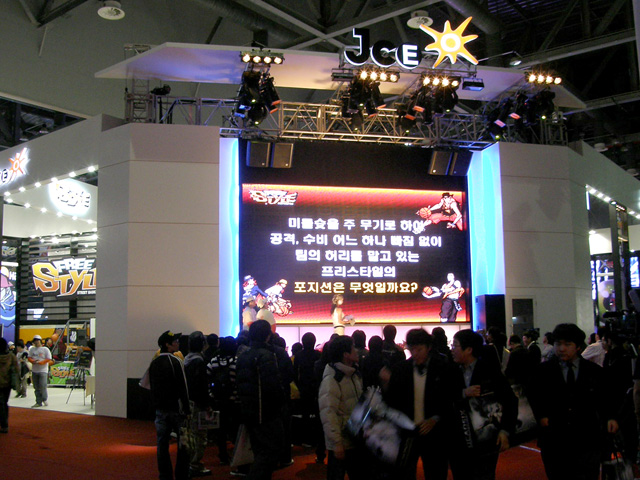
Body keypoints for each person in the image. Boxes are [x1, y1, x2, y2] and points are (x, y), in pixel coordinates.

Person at [530, 323, 619, 480]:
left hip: (587, 439)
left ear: (578, 346)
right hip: (554, 438)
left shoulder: (594, 371)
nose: (561, 349)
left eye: (567, 344)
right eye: (558, 344)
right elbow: (534, 396)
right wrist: (541, 416)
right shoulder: (543, 371)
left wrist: (610, 417)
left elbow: (605, 398)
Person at [385, 329, 456, 480]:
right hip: (407, 432)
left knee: (436, 472)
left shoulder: (443, 368)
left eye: (419, 349)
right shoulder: (400, 369)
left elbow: (450, 399)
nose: (415, 353)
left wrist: (436, 418)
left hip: (435, 432)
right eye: (412, 349)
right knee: (405, 473)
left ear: (428, 347)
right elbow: (392, 401)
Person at [449, 329, 518, 480]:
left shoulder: (489, 370)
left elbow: (510, 400)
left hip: (485, 437)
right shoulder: (451, 371)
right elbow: (442, 397)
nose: (452, 349)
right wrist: (463, 393)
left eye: (455, 345)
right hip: (458, 439)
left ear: (469, 349)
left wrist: (505, 430)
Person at [236, 320, 287, 480]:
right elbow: (272, 386)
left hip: (249, 411)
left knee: (259, 451)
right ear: (267, 335)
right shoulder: (266, 355)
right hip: (266, 413)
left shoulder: (243, 356)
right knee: (269, 453)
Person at [318, 335, 365, 480]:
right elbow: (328, 413)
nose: (356, 351)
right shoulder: (333, 380)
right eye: (353, 348)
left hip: (353, 438)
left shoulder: (353, 373)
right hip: (342, 441)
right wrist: (336, 443)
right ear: (345, 354)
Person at [149, 330, 191, 480]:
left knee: (162, 444)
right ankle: (181, 474)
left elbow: (150, 386)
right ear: (167, 344)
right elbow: (183, 387)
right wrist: (187, 409)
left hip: (160, 409)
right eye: (175, 341)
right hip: (176, 409)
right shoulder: (176, 362)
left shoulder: (154, 363)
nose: (178, 343)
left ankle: (165, 475)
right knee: (183, 443)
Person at [183, 331, 212, 478]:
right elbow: (201, 386)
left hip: (188, 402)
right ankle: (194, 464)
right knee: (200, 435)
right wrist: (207, 405)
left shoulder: (186, 360)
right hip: (198, 403)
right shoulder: (199, 361)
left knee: (190, 434)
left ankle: (190, 462)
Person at [293, 332, 324, 463]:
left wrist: (299, 386)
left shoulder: (299, 356)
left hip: (304, 387)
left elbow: (295, 373)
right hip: (316, 388)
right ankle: (315, 438)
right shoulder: (318, 355)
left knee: (305, 414)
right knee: (317, 415)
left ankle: (305, 438)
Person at [27, 334, 52, 408]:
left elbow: (48, 358)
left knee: (43, 385)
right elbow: (29, 357)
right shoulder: (32, 349)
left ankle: (44, 398)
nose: (36, 342)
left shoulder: (45, 349)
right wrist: (33, 361)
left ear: (40, 341)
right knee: (36, 387)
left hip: (43, 370)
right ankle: (38, 401)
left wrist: (41, 362)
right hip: (35, 370)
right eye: (35, 341)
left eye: (37, 341)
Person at [0, 337, 19, 433]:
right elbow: (16, 369)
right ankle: (4, 424)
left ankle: (4, 424)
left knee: (1, 404)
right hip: (8, 384)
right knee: (4, 403)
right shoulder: (11, 356)